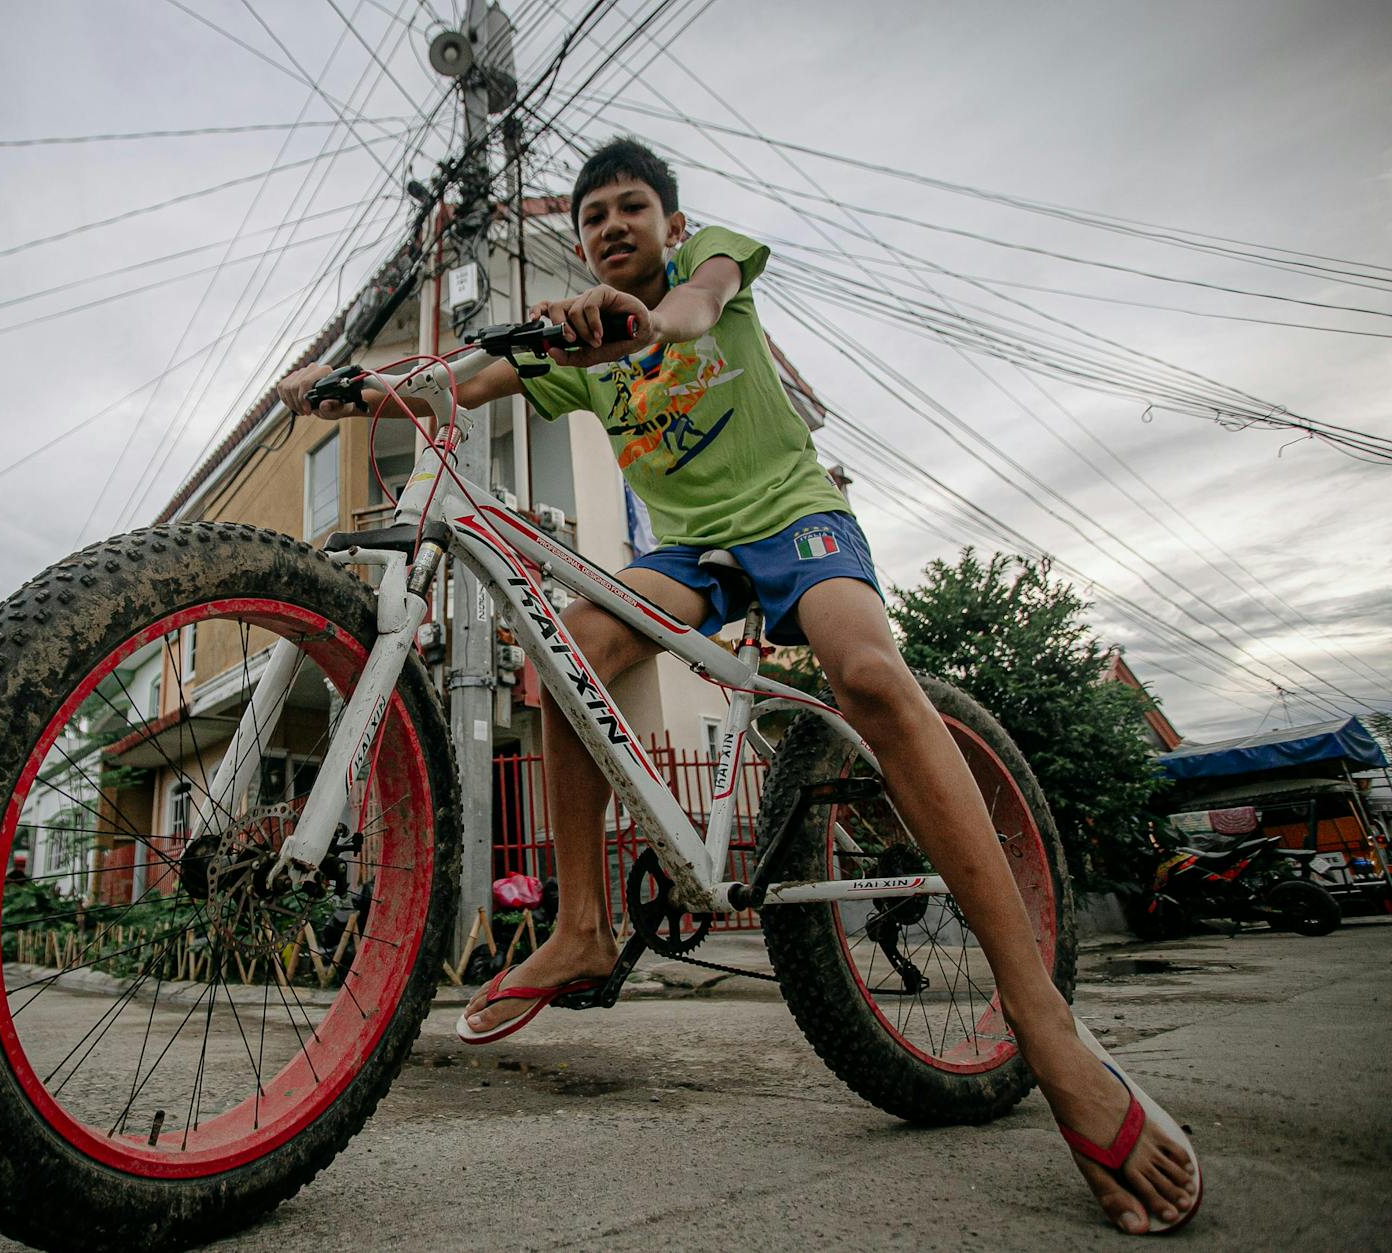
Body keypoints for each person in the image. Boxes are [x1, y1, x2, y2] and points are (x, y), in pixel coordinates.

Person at [277, 137, 1199, 1235]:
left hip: (794, 522)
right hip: (689, 554)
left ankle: (1040, 1018)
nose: (612, 228)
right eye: (593, 221)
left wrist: (643, 317)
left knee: (864, 672)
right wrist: (341, 389)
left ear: (667, 224)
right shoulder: (569, 350)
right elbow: (456, 381)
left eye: (630, 210)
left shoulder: (706, 263)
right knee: (563, 649)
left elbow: (695, 311)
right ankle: (580, 923)